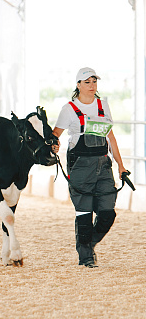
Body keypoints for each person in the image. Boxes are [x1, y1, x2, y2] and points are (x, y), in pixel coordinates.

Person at [52, 67, 127, 268]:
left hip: (103, 165)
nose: (92, 85)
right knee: (84, 213)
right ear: (78, 85)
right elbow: (55, 135)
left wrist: (121, 166)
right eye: (87, 82)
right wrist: (53, 145)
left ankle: (88, 244)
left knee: (107, 213)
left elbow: (110, 136)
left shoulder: (103, 105)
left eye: (94, 81)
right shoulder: (68, 109)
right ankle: (85, 257)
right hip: (80, 166)